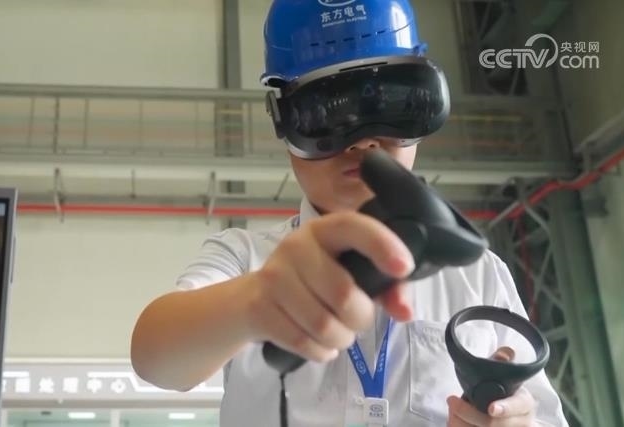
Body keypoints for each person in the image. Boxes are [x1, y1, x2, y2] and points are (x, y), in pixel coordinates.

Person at [130, 0, 569, 426]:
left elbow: (545, 416)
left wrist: (517, 422)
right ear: (284, 122)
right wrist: (257, 300)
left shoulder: (478, 274)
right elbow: (156, 360)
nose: (362, 141)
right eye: (327, 114)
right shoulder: (245, 258)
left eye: (390, 105)